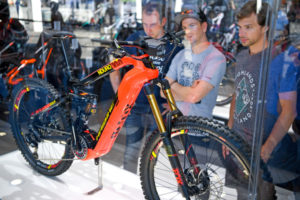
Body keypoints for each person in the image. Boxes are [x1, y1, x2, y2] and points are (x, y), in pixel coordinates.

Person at [224, 1, 300, 199]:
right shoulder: (241, 56)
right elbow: (237, 93)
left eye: (248, 27)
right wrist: (229, 130)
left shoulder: (280, 60)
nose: (242, 33)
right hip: (239, 144)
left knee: (262, 194)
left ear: (265, 27)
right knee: (242, 194)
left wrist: (268, 148)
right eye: (240, 27)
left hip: (262, 149)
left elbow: (289, 110)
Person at [109, 1, 182, 173]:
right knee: (131, 152)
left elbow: (181, 79)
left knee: (151, 156)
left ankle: (146, 186)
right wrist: (121, 97)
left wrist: (174, 103)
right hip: (135, 107)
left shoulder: (174, 46)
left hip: (159, 110)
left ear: (163, 21)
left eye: (153, 24)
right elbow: (113, 66)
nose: (148, 29)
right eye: (145, 24)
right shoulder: (135, 39)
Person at [163, 8, 226, 118]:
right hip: (175, 128)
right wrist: (190, 91)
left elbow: (194, 97)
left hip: (199, 129)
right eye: (184, 28)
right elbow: (162, 91)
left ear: (204, 27)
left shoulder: (216, 58)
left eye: (192, 25)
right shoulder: (180, 56)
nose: (187, 31)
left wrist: (173, 86)